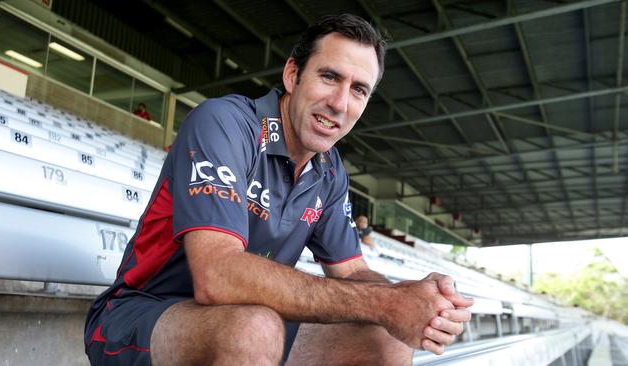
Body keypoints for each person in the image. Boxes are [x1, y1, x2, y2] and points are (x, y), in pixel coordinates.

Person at [84, 14, 473, 366]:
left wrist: (417, 299)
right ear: (292, 75)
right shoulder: (224, 123)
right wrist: (388, 303)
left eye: (359, 90)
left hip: (250, 324)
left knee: (384, 341)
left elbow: (353, 271)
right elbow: (217, 276)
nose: (340, 103)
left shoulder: (330, 169)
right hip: (140, 315)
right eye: (330, 77)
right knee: (253, 328)